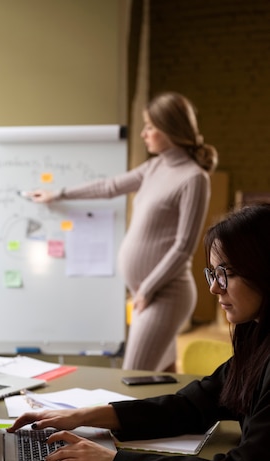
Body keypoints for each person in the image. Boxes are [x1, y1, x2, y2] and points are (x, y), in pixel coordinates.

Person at [8, 203, 270, 461]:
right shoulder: (257, 336)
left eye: (226, 273)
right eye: (212, 273)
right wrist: (88, 415)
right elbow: (193, 403)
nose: (215, 289)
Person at [25, 92, 218, 372]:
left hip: (166, 294)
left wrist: (147, 290)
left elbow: (183, 247)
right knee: (160, 378)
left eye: (150, 126)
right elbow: (109, 187)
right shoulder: (155, 166)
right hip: (147, 293)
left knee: (131, 377)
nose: (143, 133)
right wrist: (58, 194)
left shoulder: (194, 178)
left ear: (170, 129)